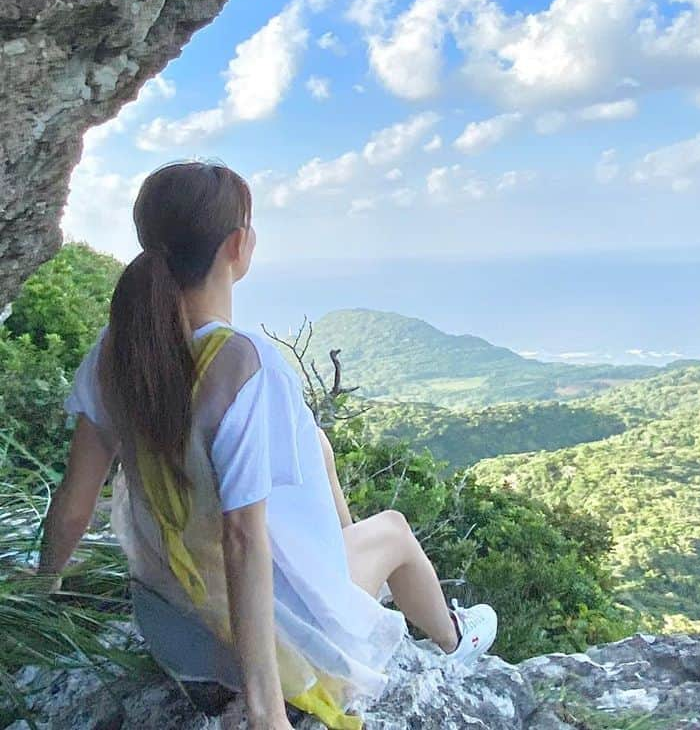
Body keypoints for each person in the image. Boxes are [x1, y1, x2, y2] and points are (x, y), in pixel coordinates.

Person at [36, 160, 497, 730]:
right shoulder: (245, 366)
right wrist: (267, 712)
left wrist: (42, 590)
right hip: (259, 651)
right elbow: (242, 537)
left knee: (318, 446)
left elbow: (75, 500)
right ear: (238, 245)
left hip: (176, 636)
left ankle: (353, 597)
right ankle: (454, 641)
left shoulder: (116, 352)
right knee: (395, 528)